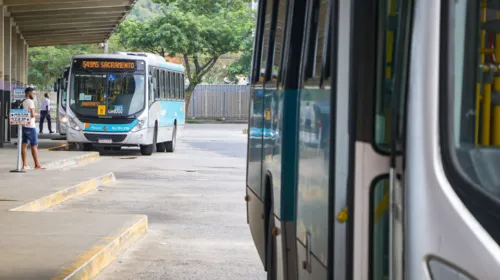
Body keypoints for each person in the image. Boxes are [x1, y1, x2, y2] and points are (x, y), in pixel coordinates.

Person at [21, 87, 44, 169]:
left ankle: (24, 164)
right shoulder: (30, 102)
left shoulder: (23, 102)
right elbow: (32, 114)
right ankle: (37, 165)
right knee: (34, 145)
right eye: (33, 93)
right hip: (31, 126)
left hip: (24, 126)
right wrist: (38, 114)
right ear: (29, 93)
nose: (34, 95)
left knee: (24, 145)